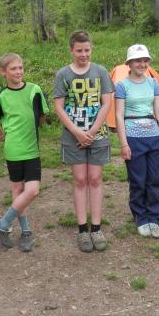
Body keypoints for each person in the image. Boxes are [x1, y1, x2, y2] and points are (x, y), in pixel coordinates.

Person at [53, 30, 114, 252]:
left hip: (99, 134)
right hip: (73, 136)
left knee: (95, 178)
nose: (83, 54)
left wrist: (92, 131)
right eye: (79, 50)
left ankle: (96, 228)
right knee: (80, 179)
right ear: (71, 50)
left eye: (87, 50)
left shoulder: (101, 72)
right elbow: (59, 106)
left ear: (91, 49)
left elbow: (107, 103)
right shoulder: (63, 74)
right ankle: (82, 229)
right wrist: (77, 132)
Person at [0, 53, 49, 252]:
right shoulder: (2, 96)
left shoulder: (35, 90)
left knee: (32, 190)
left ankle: (2, 224)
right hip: (13, 150)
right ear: (3, 72)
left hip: (32, 149)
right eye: (13, 68)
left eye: (20, 67)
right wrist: (2, 137)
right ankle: (26, 231)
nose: (18, 72)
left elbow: (42, 116)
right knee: (17, 189)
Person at [115, 44, 159, 238]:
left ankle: (153, 217)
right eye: (138, 61)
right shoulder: (122, 85)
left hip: (153, 135)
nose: (142, 64)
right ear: (129, 63)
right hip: (133, 137)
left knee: (154, 179)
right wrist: (124, 143)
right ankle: (140, 217)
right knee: (138, 180)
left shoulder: (152, 83)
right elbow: (119, 115)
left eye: (145, 61)